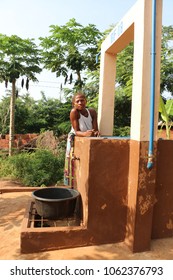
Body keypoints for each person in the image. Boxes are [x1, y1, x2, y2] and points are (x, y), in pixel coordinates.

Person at [64, 92, 100, 187]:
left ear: (86, 101)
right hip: (75, 139)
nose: (80, 103)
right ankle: (71, 186)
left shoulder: (92, 112)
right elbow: (76, 131)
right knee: (73, 163)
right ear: (74, 104)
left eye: (82, 100)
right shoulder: (74, 112)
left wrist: (95, 132)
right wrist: (85, 134)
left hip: (88, 138)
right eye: (77, 101)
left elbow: (95, 129)